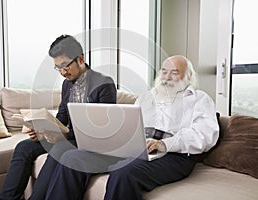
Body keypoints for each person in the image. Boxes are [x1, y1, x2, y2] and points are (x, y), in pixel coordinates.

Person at [42, 55, 220, 200]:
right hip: (136, 147)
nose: (166, 77)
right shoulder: (146, 97)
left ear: (188, 77)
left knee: (123, 173)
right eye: (164, 72)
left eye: (174, 73)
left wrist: (164, 144)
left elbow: (205, 135)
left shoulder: (199, 99)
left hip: (173, 154)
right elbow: (129, 124)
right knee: (73, 157)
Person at [0, 34, 117, 200]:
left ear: (80, 59)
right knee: (23, 147)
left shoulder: (104, 84)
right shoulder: (67, 84)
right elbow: (61, 116)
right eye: (58, 68)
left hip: (86, 141)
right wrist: (44, 130)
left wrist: (64, 136)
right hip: (67, 136)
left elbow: (101, 129)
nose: (62, 72)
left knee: (60, 148)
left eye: (65, 66)